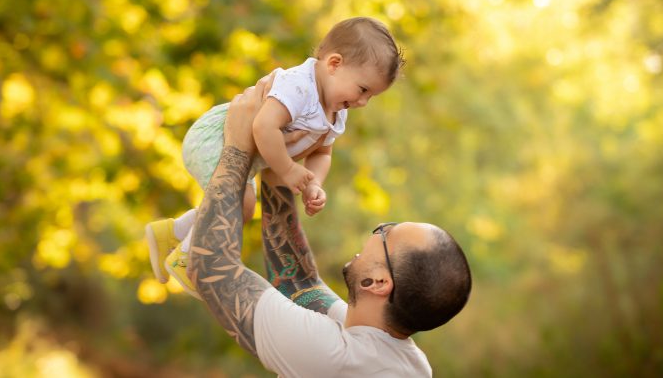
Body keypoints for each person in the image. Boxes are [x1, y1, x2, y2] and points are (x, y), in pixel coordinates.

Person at [176, 76, 473, 377]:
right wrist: (280, 166)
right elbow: (297, 284)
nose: (378, 228)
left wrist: (237, 146)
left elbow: (211, 267)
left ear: (379, 282)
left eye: (386, 233)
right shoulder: (402, 360)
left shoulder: (334, 357)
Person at [146, 17, 404, 296]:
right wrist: (288, 169)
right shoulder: (299, 86)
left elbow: (322, 152)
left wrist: (314, 183)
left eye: (370, 97)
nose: (362, 102)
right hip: (215, 139)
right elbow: (263, 126)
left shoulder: (337, 111)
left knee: (243, 209)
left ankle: (171, 233)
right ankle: (189, 257)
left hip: (242, 155)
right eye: (363, 89)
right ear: (334, 64)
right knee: (240, 204)